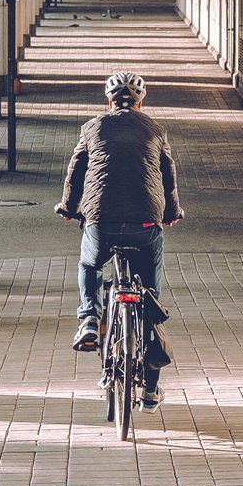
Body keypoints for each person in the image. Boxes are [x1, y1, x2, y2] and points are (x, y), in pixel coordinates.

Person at [55, 71, 183, 411]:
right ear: (141, 103)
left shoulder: (92, 127)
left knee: (89, 263)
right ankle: (152, 389)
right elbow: (168, 176)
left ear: (109, 102)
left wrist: (68, 207)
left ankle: (88, 320)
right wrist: (171, 213)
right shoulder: (156, 129)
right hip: (146, 220)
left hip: (101, 218)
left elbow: (76, 171)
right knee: (150, 301)